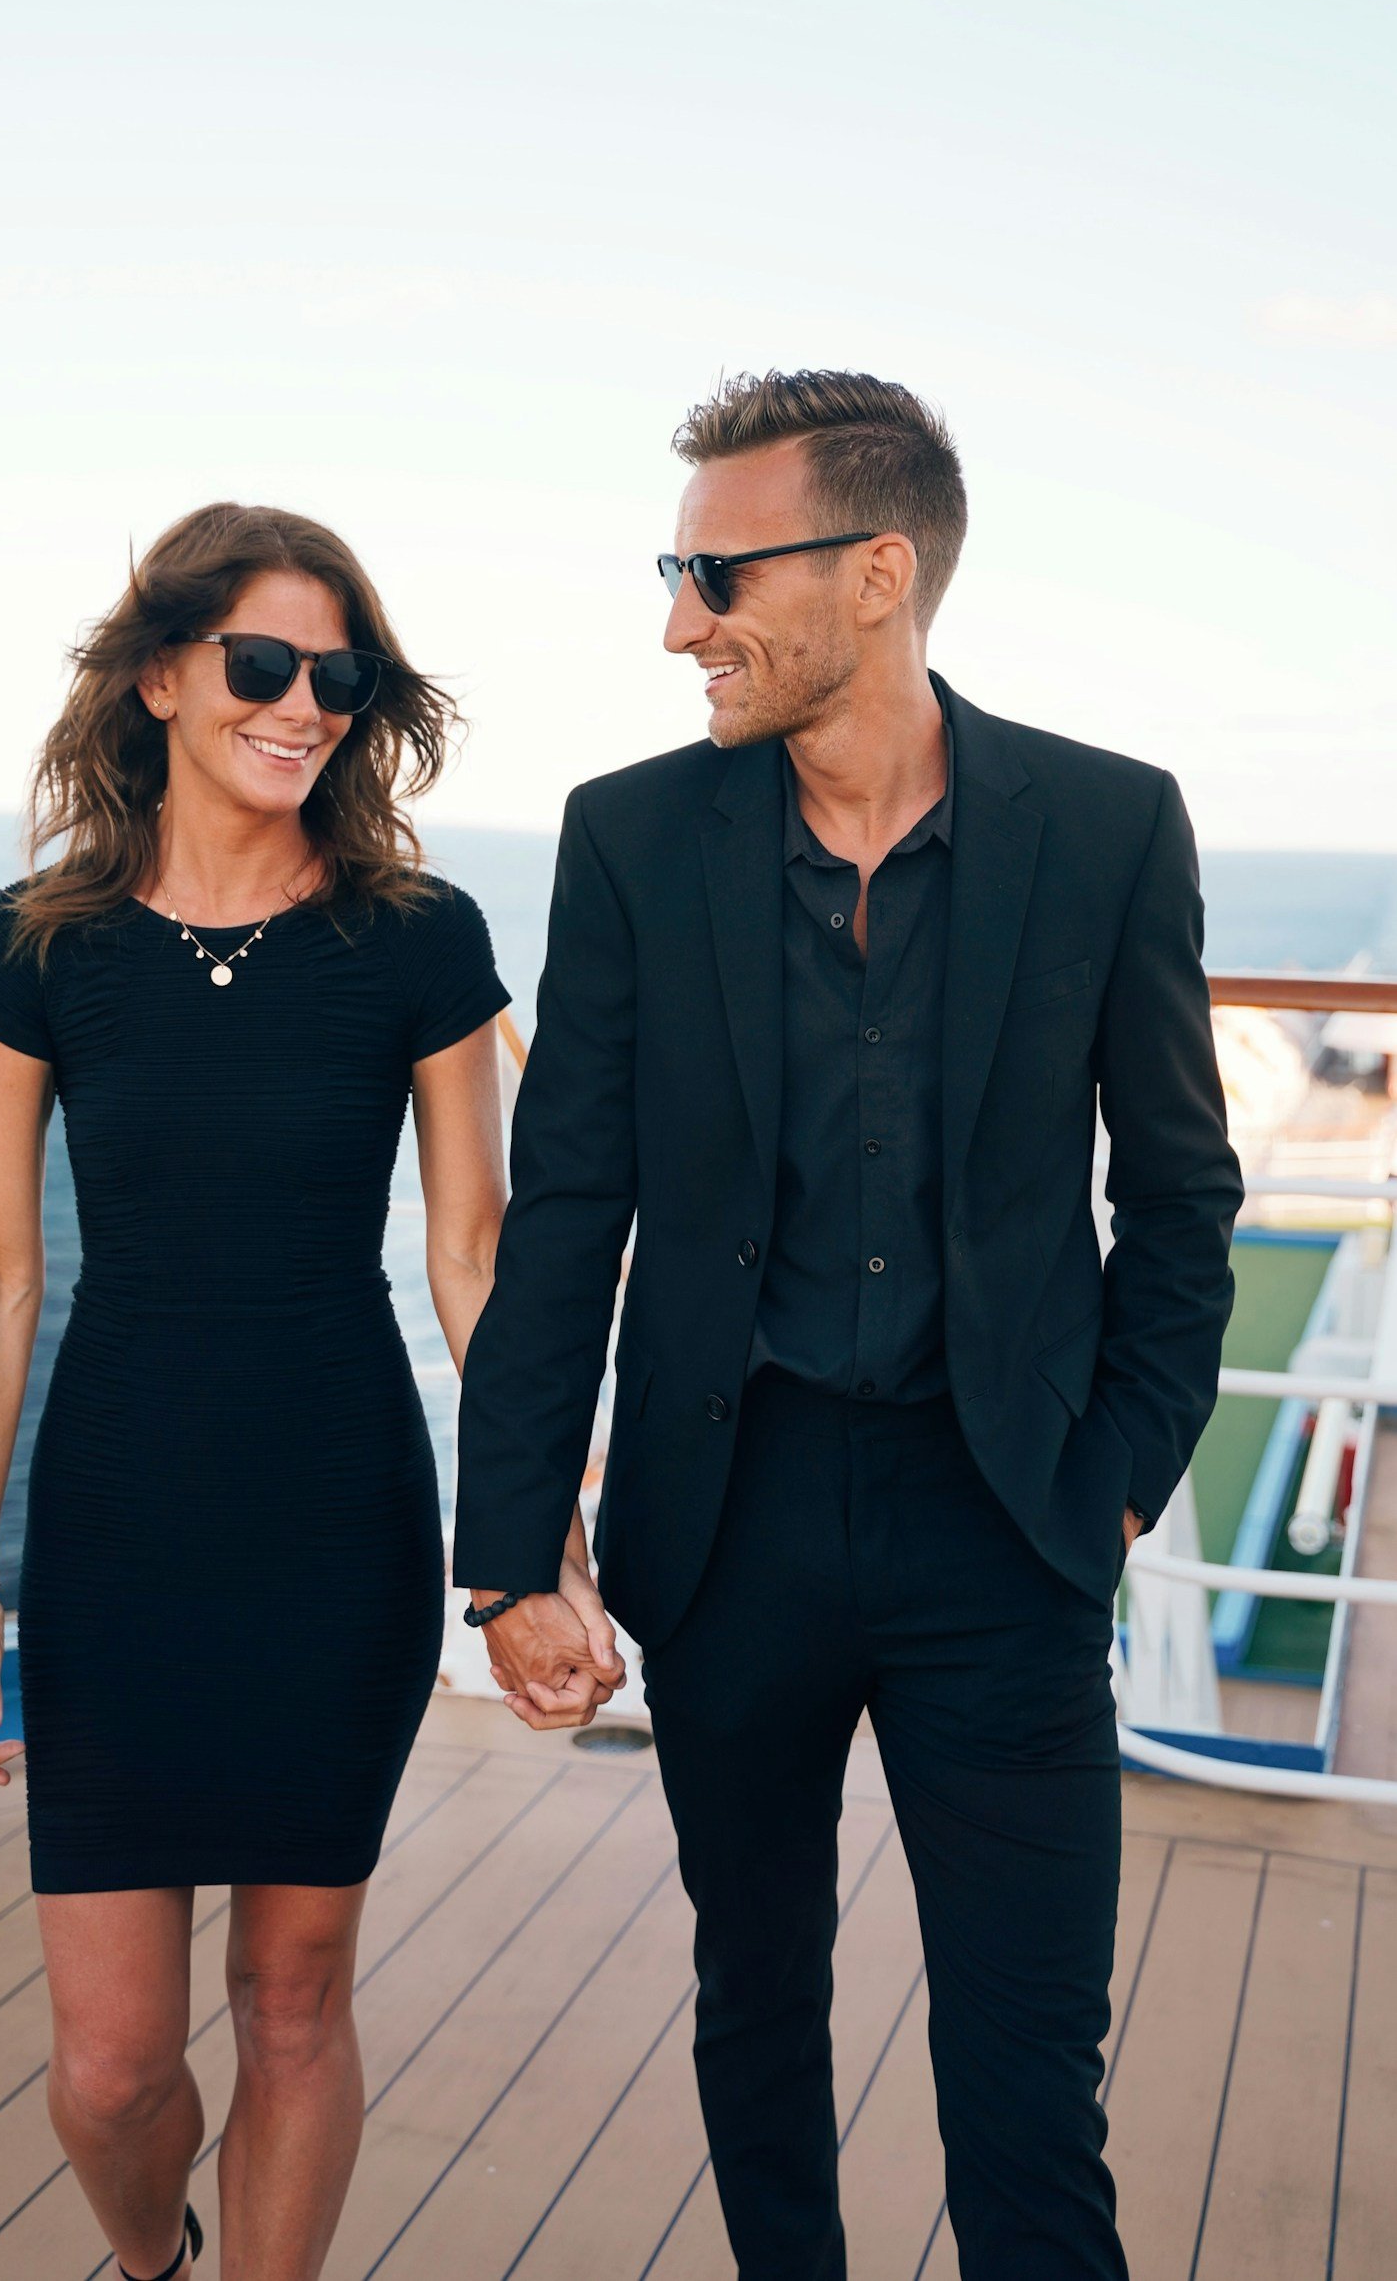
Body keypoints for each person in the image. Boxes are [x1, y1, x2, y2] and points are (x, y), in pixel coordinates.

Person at [454, 372, 1243, 2280]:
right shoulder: (632, 839)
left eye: (713, 571)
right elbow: (568, 1215)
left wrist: (1119, 1480)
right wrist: (507, 1562)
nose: (676, 623)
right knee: (757, 2012)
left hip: (1010, 1521)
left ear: (876, 573)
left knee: (1029, 2067)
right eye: (674, 568)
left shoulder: (1108, 824)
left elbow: (1183, 1187)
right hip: (731, 1528)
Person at [0, 501, 618, 2281]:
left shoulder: (415, 940)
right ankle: (155, 2256)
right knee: (110, 2071)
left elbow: (478, 1257)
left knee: (295, 2001)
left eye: (338, 673)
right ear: (160, 675)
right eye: (260, 664)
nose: (303, 702)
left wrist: (543, 1539)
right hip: (123, 1510)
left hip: (337, 1513)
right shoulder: (34, 945)